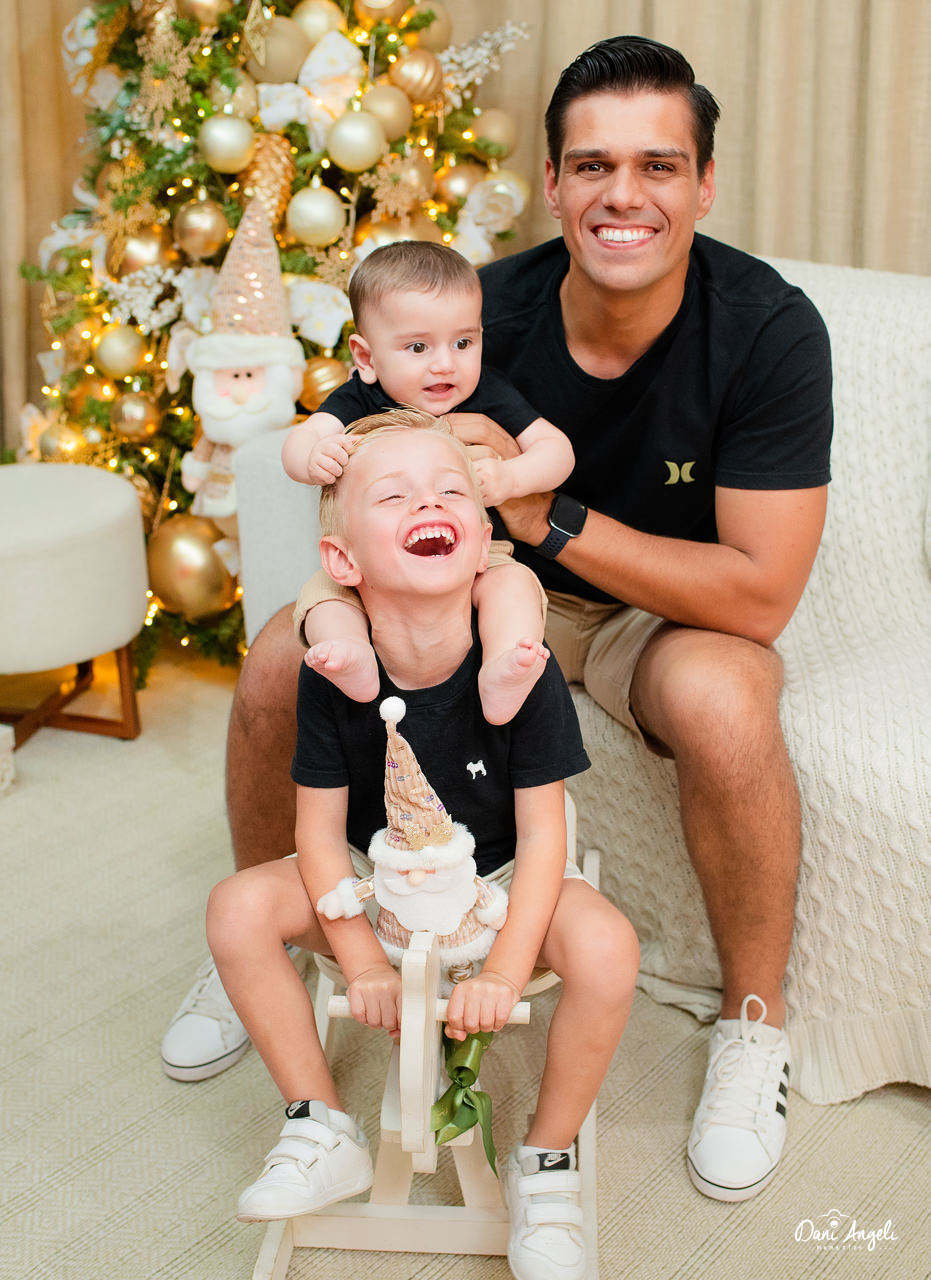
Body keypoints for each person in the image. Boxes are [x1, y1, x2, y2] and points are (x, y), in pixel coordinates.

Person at [162, 34, 833, 1208]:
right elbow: (365, 441)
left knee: (727, 697)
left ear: (704, 184)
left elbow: (759, 593)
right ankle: (268, 944)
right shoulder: (477, 310)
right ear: (554, 180)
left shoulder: (767, 329)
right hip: (471, 590)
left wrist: (538, 510)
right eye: (594, 165)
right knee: (279, 656)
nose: (624, 195)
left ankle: (753, 1022)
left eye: (659, 166)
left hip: (651, 610)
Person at [205, 410, 638, 1280]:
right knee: (237, 907)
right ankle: (320, 1124)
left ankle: (546, 1160)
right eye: (393, 497)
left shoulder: (518, 665)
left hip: (498, 879)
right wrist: (362, 960)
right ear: (344, 563)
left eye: (448, 493)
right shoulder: (334, 671)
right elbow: (317, 834)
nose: (427, 505)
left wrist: (504, 972)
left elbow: (543, 837)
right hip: (375, 878)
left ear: (481, 546)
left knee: (607, 947)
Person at [281, 241, 575, 725]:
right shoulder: (359, 399)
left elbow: (558, 451)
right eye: (418, 347)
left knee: (514, 584)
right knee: (323, 598)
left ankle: (503, 669)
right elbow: (299, 442)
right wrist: (312, 457)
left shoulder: (487, 392)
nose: (445, 364)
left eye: (463, 343)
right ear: (366, 356)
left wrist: (510, 476)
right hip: (371, 569)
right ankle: (352, 657)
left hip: (476, 558)